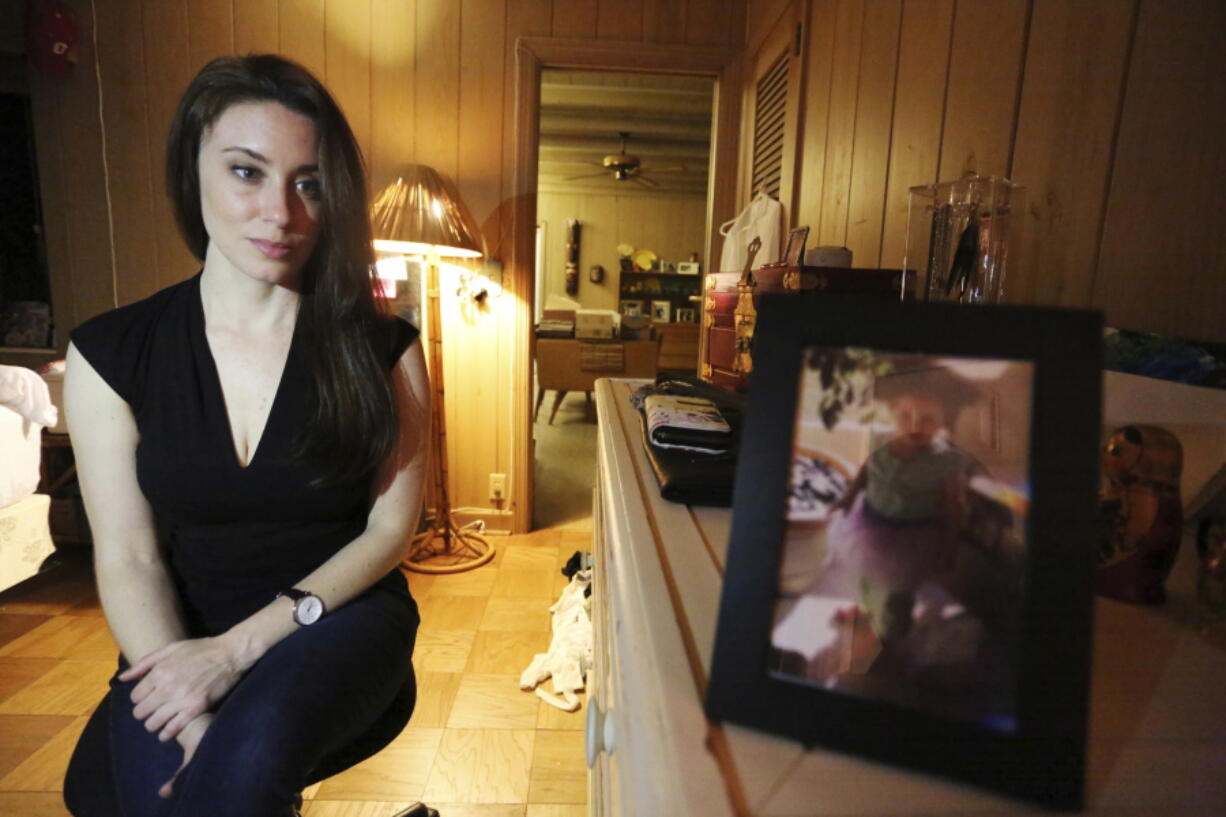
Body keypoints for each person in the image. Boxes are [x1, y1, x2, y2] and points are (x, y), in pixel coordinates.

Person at [61, 54, 430, 817]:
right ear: (191, 171)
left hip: (338, 616)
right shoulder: (109, 352)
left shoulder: (382, 346)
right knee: (131, 795)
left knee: (236, 768)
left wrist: (239, 649)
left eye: (309, 182)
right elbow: (129, 557)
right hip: (181, 632)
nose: (282, 214)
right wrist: (194, 713)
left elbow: (392, 529)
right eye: (246, 172)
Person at [824, 361, 982, 643]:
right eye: (905, 415)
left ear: (943, 422)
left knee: (898, 589)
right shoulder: (881, 444)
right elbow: (867, 470)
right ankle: (868, 612)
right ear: (892, 413)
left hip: (911, 539)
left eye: (928, 419)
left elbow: (953, 506)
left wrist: (949, 545)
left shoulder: (945, 461)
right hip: (869, 524)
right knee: (867, 576)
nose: (915, 425)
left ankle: (893, 635)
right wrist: (848, 497)